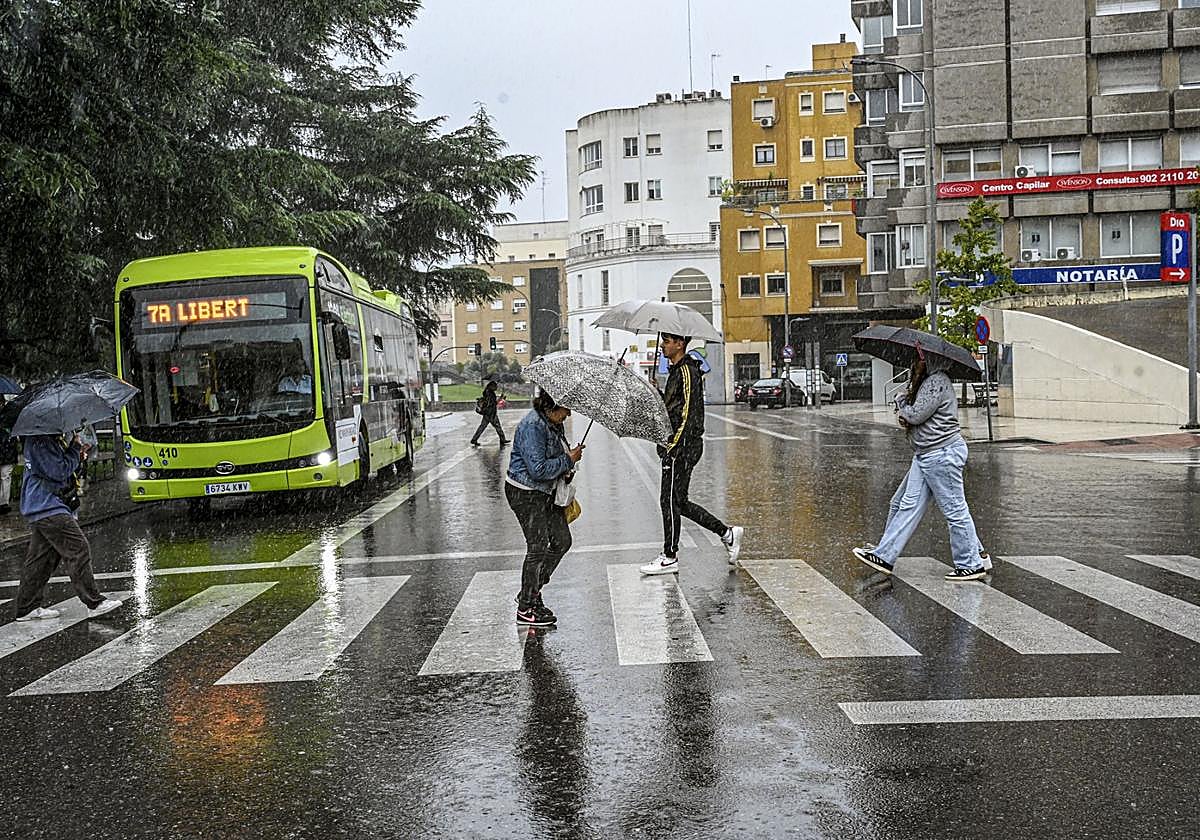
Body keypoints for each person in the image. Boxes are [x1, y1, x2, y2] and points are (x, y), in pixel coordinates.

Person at [851, 347, 991, 582]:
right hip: (927, 454)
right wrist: (906, 403)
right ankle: (885, 553)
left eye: (919, 358)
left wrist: (901, 402)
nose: (915, 362)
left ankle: (970, 563)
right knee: (901, 503)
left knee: (954, 509)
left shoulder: (936, 381)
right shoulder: (926, 381)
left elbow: (915, 415)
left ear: (930, 359)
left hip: (941, 453)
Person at [640, 332, 743, 575]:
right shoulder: (677, 372)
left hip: (682, 447)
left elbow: (688, 414)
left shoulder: (687, 371)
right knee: (679, 502)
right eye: (663, 341)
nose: (663, 346)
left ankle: (670, 555)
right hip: (679, 446)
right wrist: (658, 394)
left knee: (669, 501)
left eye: (667, 341)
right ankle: (727, 534)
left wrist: (673, 447)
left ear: (680, 344)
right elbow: (673, 408)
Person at [12, 432, 122, 621]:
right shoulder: (39, 441)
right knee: (78, 549)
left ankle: (27, 607)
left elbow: (63, 469)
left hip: (45, 505)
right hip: (47, 506)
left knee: (41, 560)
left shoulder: (49, 439)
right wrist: (75, 449)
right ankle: (94, 602)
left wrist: (77, 454)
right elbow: (58, 471)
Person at [505, 390, 584, 626]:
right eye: (566, 409)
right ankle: (526, 607)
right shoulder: (533, 426)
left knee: (561, 540)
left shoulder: (552, 423)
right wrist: (568, 459)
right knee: (538, 547)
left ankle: (531, 590)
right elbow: (537, 470)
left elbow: (553, 460)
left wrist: (567, 465)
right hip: (525, 492)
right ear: (552, 406)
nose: (568, 414)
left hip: (545, 492)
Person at [470, 380, 508, 447]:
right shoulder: (490, 393)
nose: (496, 387)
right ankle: (502, 439)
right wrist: (500, 398)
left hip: (487, 413)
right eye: (495, 386)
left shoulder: (487, 392)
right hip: (491, 413)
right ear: (491, 386)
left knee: (482, 427)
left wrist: (499, 398)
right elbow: (492, 403)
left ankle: (474, 439)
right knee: (497, 426)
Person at [0, 396, 16, 515]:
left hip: (8, 451)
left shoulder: (10, 414)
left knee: (5, 476)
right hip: (7, 450)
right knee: (5, 477)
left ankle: (4, 503)